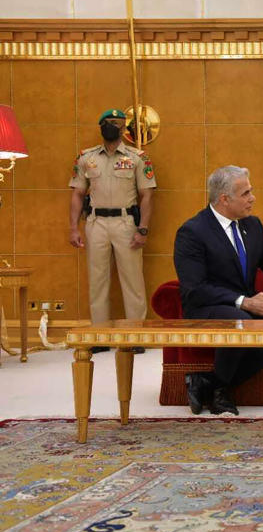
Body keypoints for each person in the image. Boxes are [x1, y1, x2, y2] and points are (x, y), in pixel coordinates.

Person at [173, 165, 263, 416]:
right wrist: (243, 302)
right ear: (224, 199)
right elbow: (195, 288)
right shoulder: (192, 232)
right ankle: (219, 394)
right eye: (246, 193)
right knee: (242, 323)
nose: (252, 198)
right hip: (206, 307)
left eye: (251, 192)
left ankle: (209, 383)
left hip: (242, 306)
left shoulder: (251, 225)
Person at [68, 109, 155, 354]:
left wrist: (143, 229)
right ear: (100, 126)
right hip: (96, 222)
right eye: (107, 122)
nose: (111, 126)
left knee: (132, 279)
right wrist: (74, 227)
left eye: (115, 123)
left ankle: (135, 335)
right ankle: (100, 334)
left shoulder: (138, 158)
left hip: (126, 222)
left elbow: (147, 195)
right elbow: (77, 193)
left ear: (123, 127)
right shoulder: (86, 157)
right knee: (97, 280)